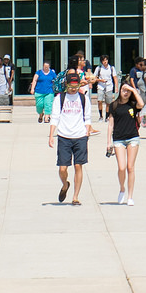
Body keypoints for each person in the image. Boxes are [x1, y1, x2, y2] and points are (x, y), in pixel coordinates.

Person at [48, 73, 98, 204]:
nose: (73, 89)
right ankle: (65, 185)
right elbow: (55, 118)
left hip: (80, 136)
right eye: (71, 86)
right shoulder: (60, 99)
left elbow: (87, 118)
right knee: (62, 168)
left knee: (78, 166)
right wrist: (51, 136)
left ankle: (75, 197)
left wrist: (87, 132)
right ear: (66, 85)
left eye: (76, 86)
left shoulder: (83, 98)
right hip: (64, 136)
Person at [107, 74, 144, 205]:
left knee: (130, 167)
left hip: (133, 137)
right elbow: (110, 124)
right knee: (121, 167)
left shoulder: (133, 104)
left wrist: (134, 90)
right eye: (124, 90)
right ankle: (122, 188)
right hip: (118, 139)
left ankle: (130, 196)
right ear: (119, 91)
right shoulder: (114, 105)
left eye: (128, 91)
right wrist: (108, 143)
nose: (126, 93)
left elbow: (142, 104)